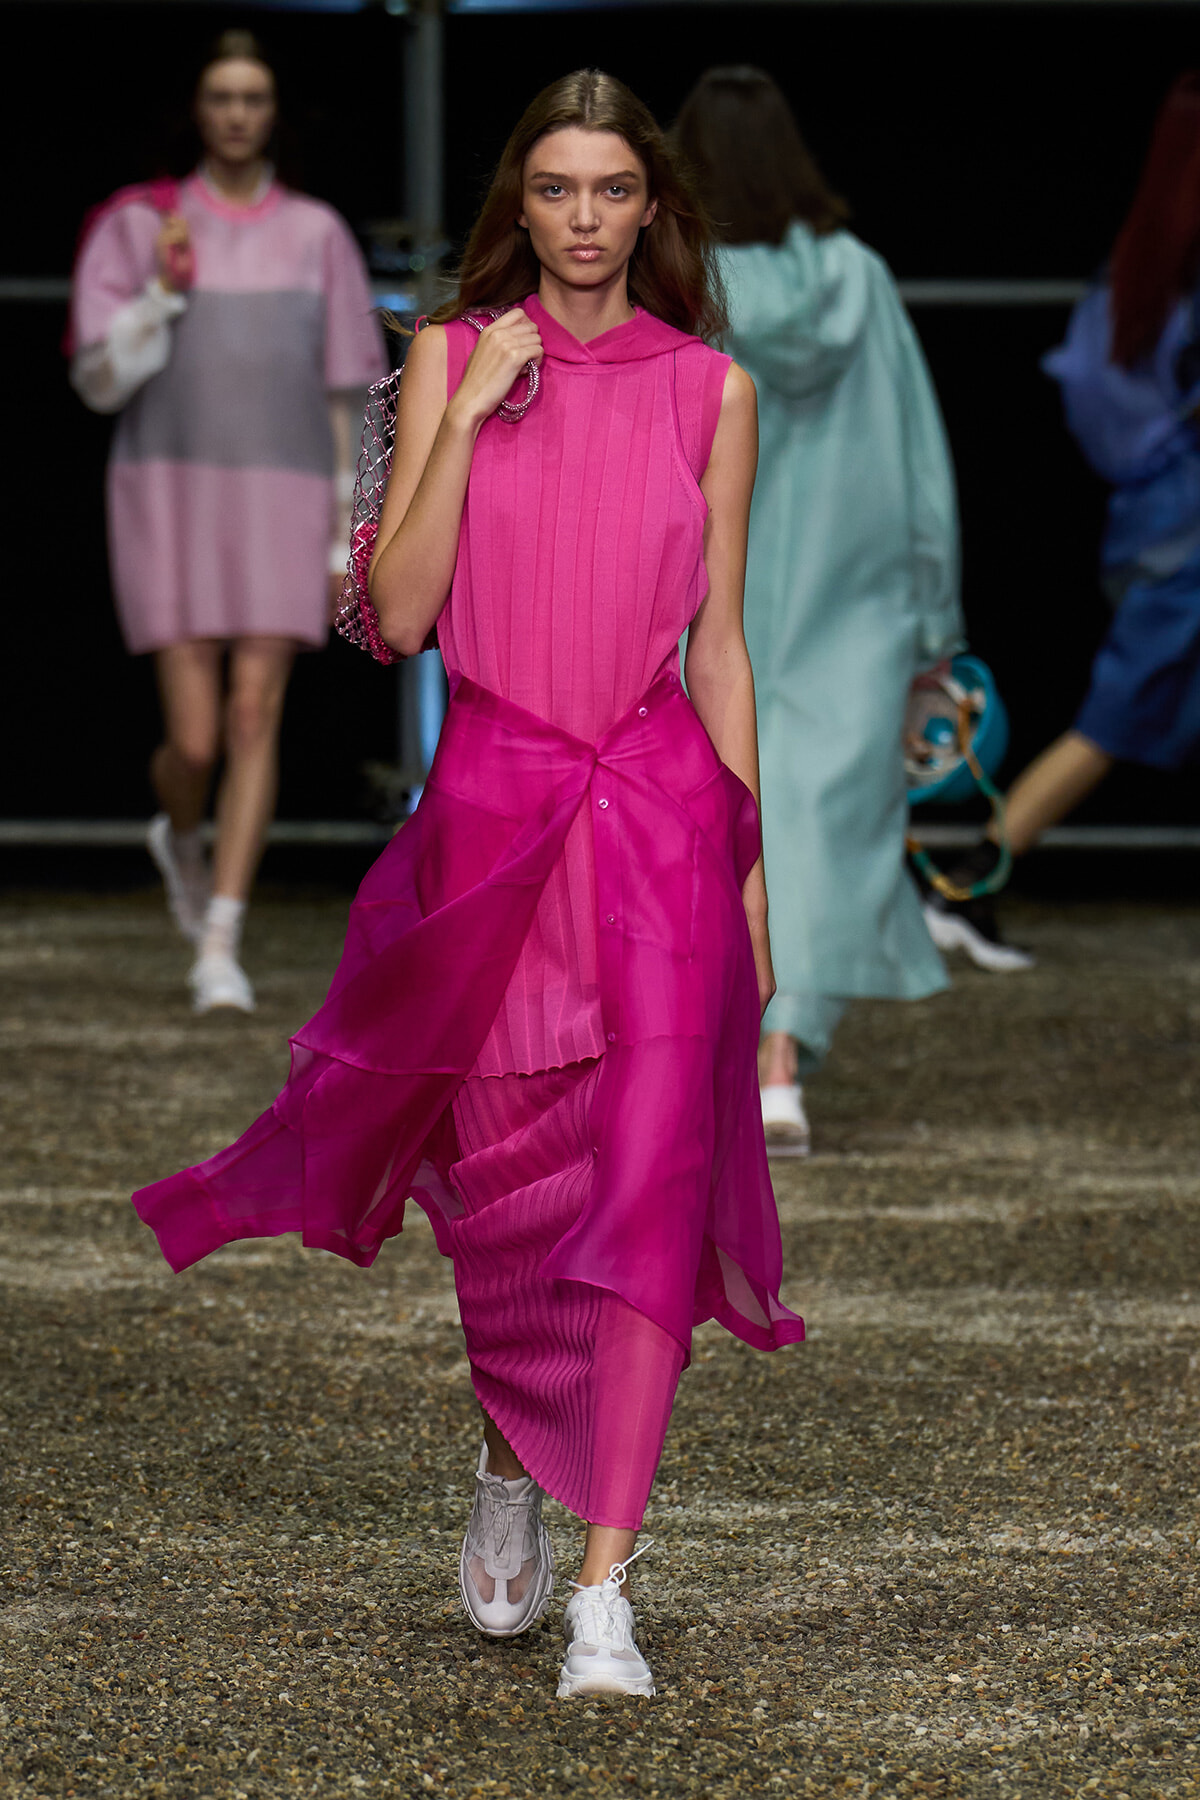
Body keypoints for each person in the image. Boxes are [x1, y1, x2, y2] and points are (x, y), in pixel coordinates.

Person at [132, 69, 804, 1699]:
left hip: (655, 823)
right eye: (559, 190)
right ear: (525, 202)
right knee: (511, 1205)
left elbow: (720, 644)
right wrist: (473, 395)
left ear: (655, 209)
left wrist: (759, 891)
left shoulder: (712, 388)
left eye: (614, 191)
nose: (586, 219)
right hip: (495, 822)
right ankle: (512, 1452)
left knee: (645, 1190)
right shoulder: (448, 356)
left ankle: (604, 1595)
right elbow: (401, 616)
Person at [674, 68, 964, 1153]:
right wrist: (935, 625)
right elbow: (920, 459)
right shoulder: (860, 279)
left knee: (714, 811)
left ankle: (730, 1054)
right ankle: (780, 1061)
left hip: (709, 588)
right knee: (815, 827)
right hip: (855, 593)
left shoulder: (676, 287)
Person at [69, 29, 385, 1011]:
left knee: (256, 712)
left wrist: (349, 529)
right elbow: (96, 378)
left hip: (288, 492)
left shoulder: (318, 232)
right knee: (195, 739)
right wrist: (161, 297)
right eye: (222, 96)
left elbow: (351, 390)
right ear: (198, 111)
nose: (239, 114)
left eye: (254, 97)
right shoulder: (139, 226)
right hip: (169, 489)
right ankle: (183, 837)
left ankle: (221, 938)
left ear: (273, 112)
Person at [926, 71, 1200, 964]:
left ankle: (970, 878)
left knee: (1123, 713)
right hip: (1185, 535)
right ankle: (969, 879)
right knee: (1114, 717)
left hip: (1154, 522)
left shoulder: (1142, 262)